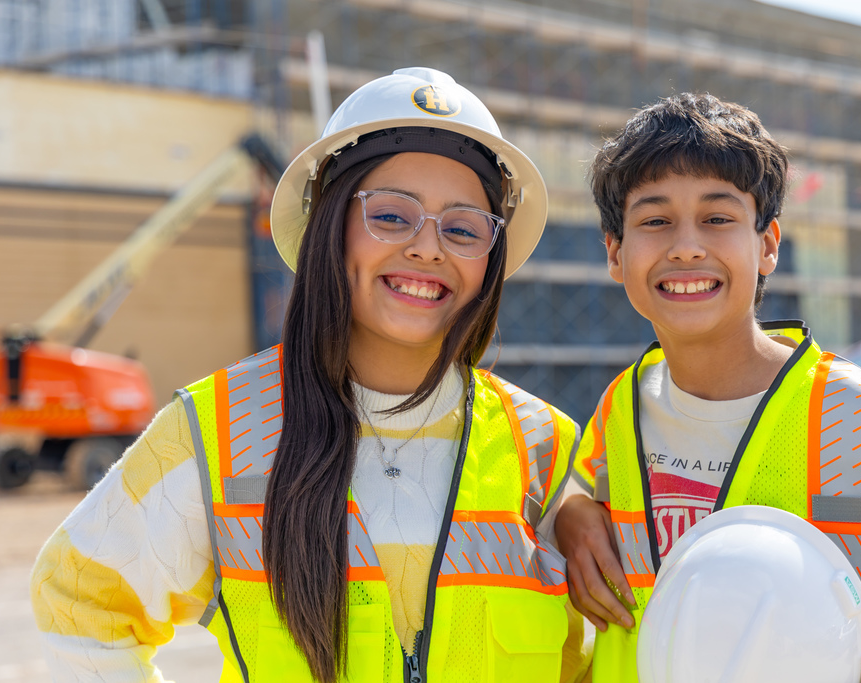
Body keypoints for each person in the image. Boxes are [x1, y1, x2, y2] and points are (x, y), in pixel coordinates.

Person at [31, 67, 586, 683]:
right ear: (329, 226)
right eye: (393, 216)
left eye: (462, 229)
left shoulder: (543, 444)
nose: (429, 249)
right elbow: (79, 602)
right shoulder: (221, 431)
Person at [553, 92, 861, 683]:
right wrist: (572, 512)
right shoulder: (620, 406)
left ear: (767, 246)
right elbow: (572, 495)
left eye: (718, 218)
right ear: (615, 253)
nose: (686, 245)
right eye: (655, 221)